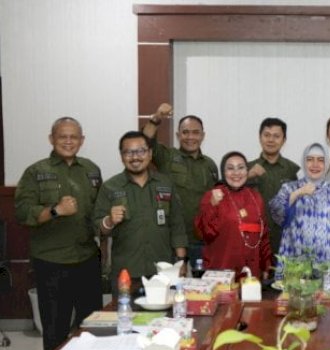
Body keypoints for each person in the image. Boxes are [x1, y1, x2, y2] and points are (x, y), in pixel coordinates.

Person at [15, 117, 103, 350]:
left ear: (82, 140)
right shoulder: (36, 171)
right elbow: (22, 213)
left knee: (92, 328)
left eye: (74, 137)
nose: (68, 141)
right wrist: (55, 211)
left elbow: (98, 213)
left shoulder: (92, 170)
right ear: (51, 139)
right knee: (55, 331)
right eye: (62, 136)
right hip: (52, 263)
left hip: (87, 259)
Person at [93, 131, 188, 295]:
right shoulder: (110, 187)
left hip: (163, 271)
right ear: (121, 156)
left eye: (141, 151)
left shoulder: (165, 183)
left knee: (163, 319)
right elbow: (98, 227)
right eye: (128, 152)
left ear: (150, 154)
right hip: (126, 272)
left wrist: (181, 261)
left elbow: (177, 225)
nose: (135, 157)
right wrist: (109, 220)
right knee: (126, 318)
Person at [142, 104, 218, 267]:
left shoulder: (210, 165)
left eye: (195, 132)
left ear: (203, 136)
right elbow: (144, 141)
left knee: (201, 289)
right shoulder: (166, 156)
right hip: (171, 240)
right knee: (171, 288)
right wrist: (156, 118)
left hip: (201, 239)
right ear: (178, 135)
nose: (190, 137)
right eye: (185, 132)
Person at [270, 143, 330, 270]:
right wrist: (298, 193)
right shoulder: (289, 188)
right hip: (296, 271)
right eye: (310, 160)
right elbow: (277, 213)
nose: (315, 164)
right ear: (304, 162)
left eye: (321, 160)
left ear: (327, 164)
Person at [195, 151, 272, 279]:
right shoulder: (212, 196)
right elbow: (203, 233)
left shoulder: (256, 197)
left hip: (251, 273)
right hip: (221, 271)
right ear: (223, 173)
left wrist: (266, 264)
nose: (236, 173)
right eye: (230, 168)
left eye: (241, 168)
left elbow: (263, 235)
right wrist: (212, 205)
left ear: (247, 171)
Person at [246, 118, 299, 257]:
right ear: (260, 137)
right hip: (253, 239)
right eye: (267, 135)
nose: (271, 140)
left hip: (284, 241)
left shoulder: (292, 170)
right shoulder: (245, 168)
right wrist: (247, 176)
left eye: (276, 136)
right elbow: (229, 193)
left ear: (284, 140)